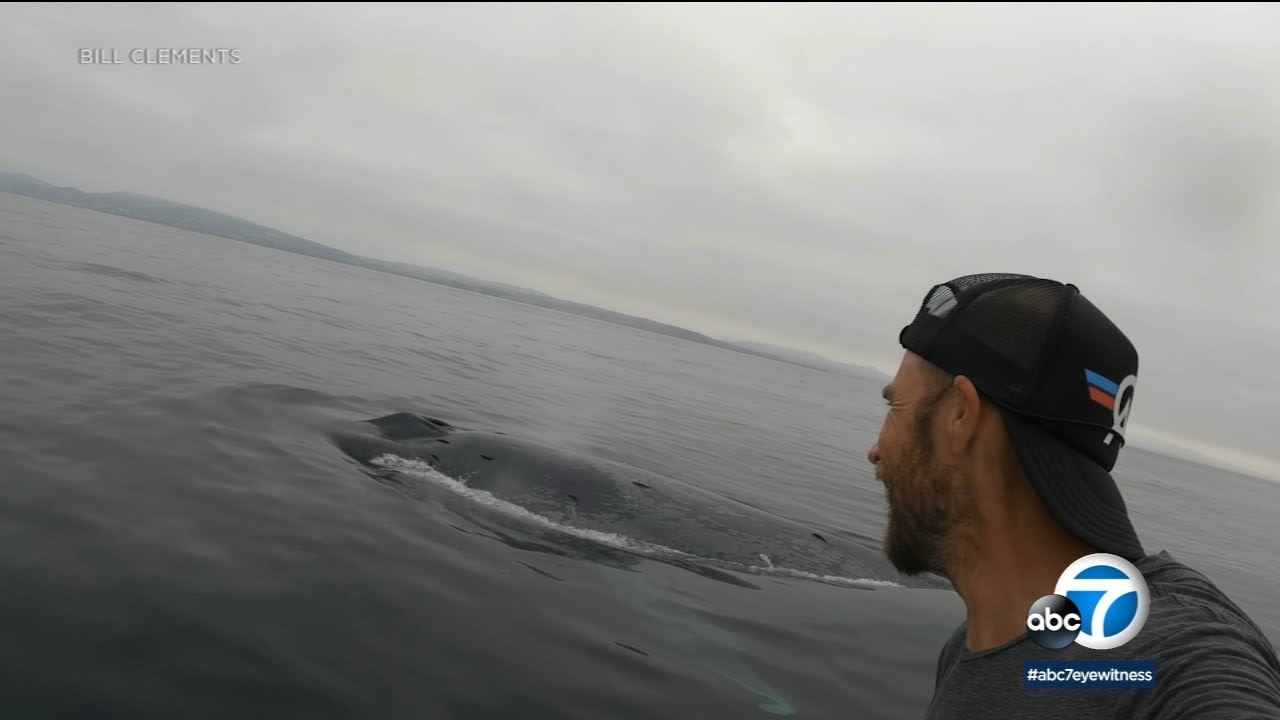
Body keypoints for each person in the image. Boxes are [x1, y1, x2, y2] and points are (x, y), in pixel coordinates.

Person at [865, 273, 1280, 719]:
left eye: (895, 407)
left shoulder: (1177, 655)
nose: (875, 451)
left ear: (961, 414)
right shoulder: (974, 645)